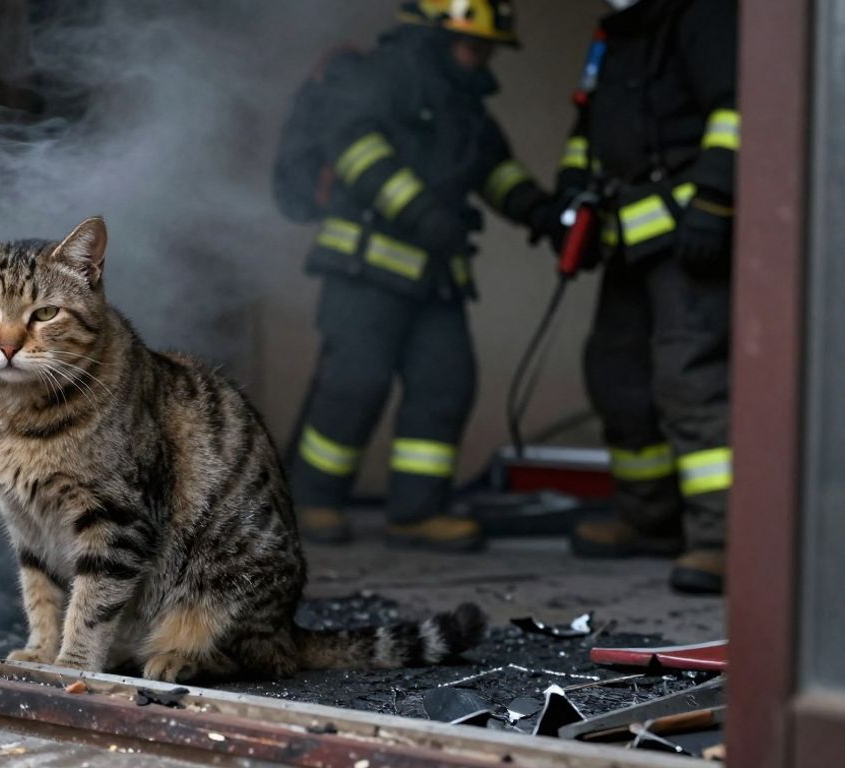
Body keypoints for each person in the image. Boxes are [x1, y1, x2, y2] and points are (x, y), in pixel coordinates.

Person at [283, 0, 559, 550]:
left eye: (488, 49)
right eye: (473, 44)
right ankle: (311, 500)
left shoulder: (466, 101)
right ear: (434, 35)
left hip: (436, 279)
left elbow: (493, 170)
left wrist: (537, 209)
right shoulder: (384, 75)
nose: (481, 58)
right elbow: (355, 147)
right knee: (354, 386)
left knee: (446, 385)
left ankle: (417, 512)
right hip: (367, 270)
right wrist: (420, 211)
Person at [554, 0, 738, 594]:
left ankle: (723, 538)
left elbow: (737, 109)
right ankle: (650, 518)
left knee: (691, 377)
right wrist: (571, 191)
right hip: (629, 235)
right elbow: (589, 129)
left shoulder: (701, 15)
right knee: (616, 373)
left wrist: (714, 199)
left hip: (689, 235)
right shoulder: (616, 34)